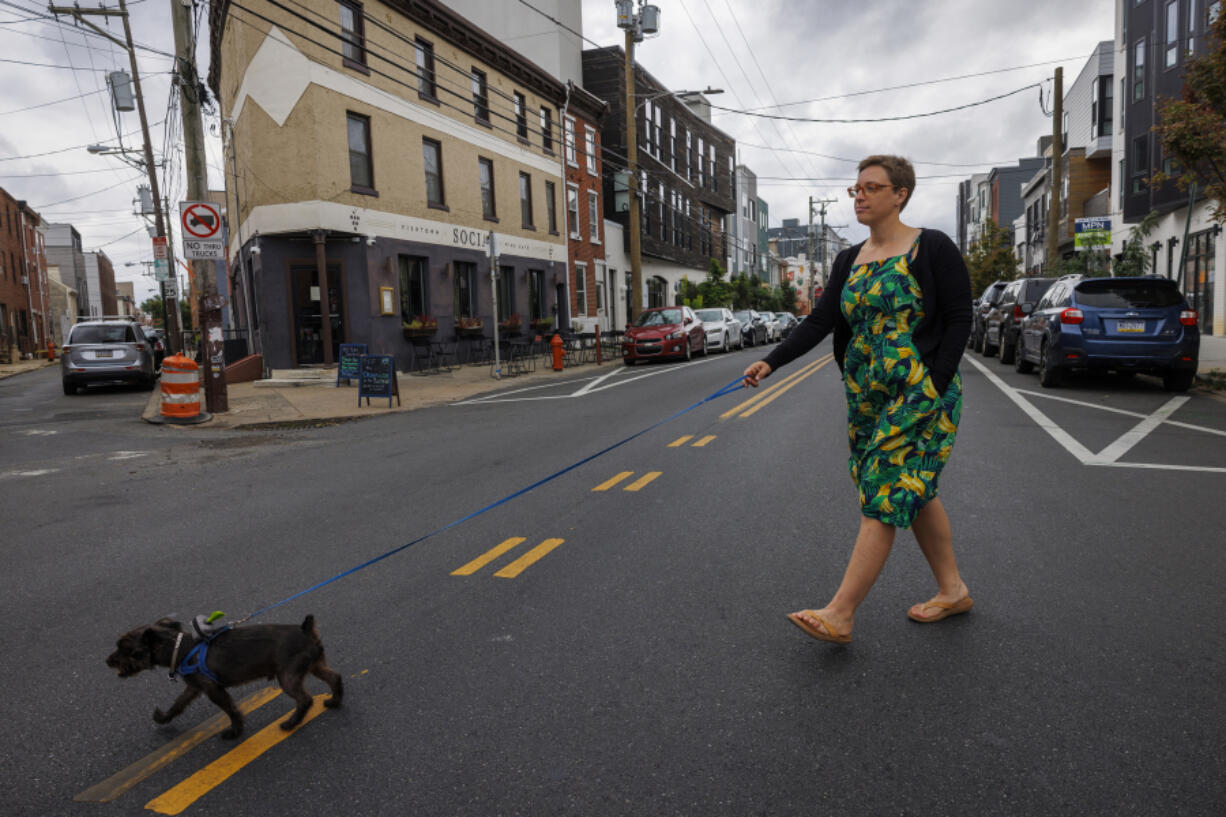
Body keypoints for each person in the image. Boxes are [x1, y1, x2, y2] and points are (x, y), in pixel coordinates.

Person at [742, 155, 973, 645]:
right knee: (916, 489)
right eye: (856, 188)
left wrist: (934, 383)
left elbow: (958, 319)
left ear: (900, 194)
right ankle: (952, 590)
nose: (860, 196)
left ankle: (840, 613)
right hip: (867, 394)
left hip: (920, 391)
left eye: (871, 187)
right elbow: (820, 322)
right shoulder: (849, 259)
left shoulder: (931, 247)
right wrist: (772, 361)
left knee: (884, 489)